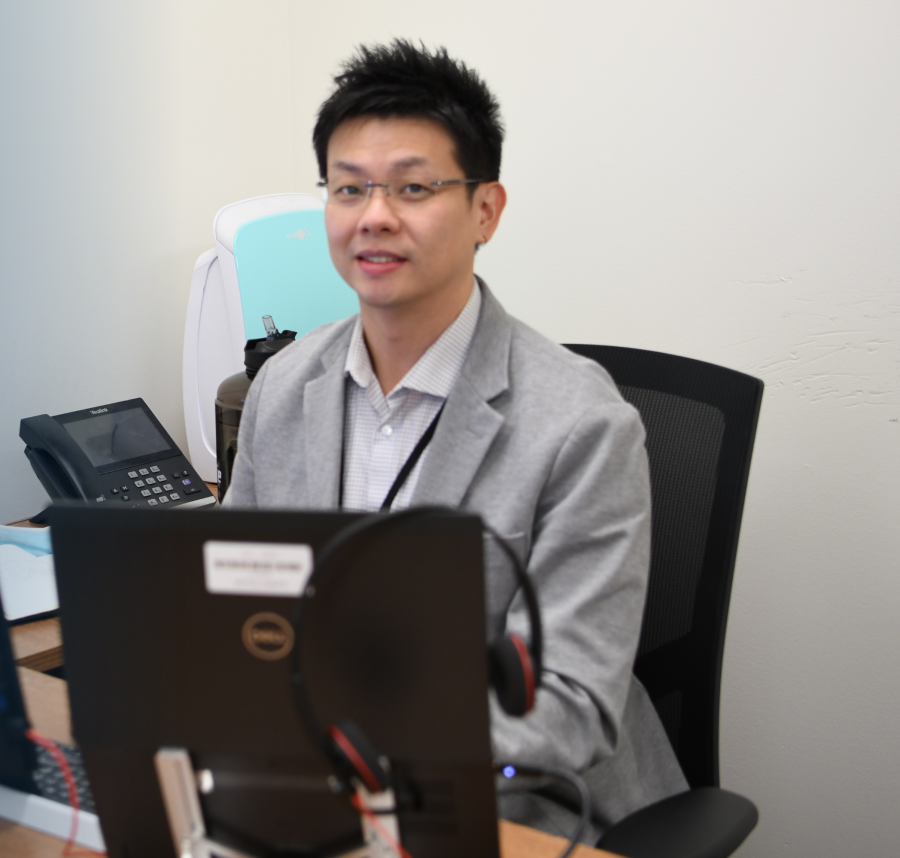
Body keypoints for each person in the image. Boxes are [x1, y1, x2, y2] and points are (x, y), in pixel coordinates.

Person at [225, 39, 687, 841]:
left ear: (485, 211)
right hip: (307, 782)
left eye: (412, 186)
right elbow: (225, 600)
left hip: (521, 805)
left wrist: (360, 766)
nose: (375, 214)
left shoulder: (582, 424)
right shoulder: (283, 387)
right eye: (348, 188)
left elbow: (568, 707)